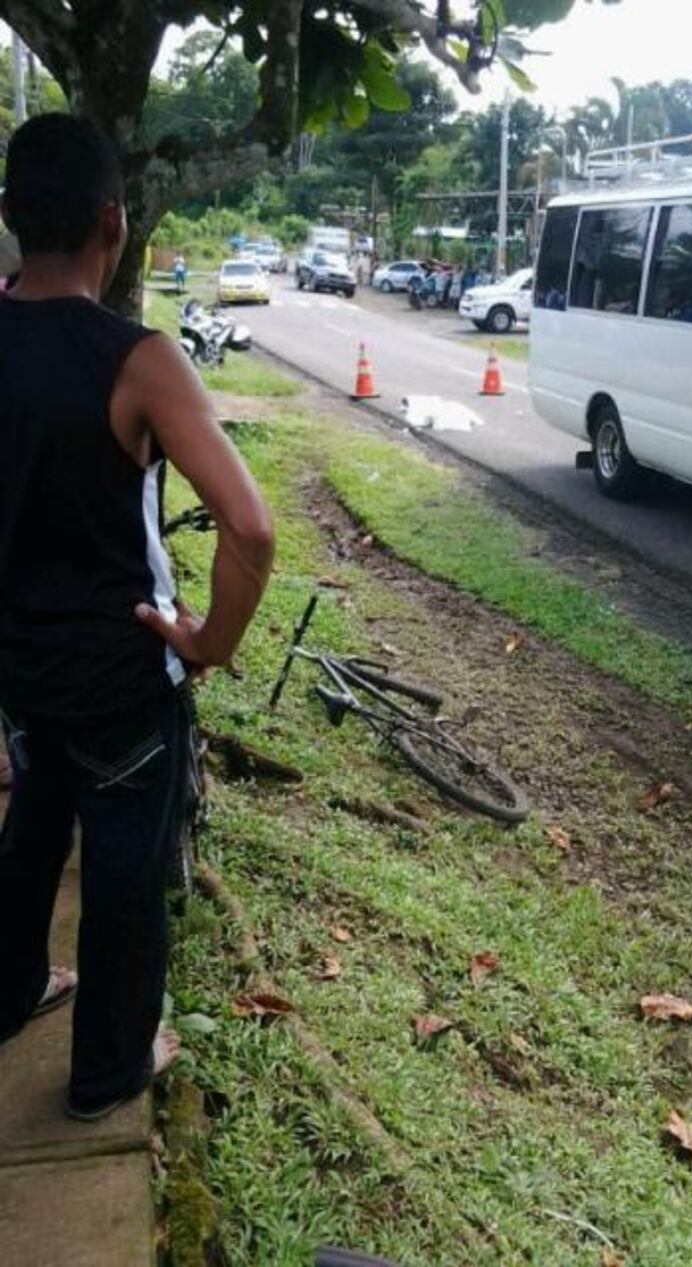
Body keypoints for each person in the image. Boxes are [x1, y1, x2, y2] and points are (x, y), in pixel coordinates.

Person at [0, 114, 275, 1120]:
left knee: (31, 822)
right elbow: (251, 529)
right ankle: (109, 1068)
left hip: (19, 670)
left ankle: (11, 988)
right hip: (120, 679)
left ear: (10, 219)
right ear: (116, 224)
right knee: (120, 874)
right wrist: (209, 642)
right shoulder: (140, 360)